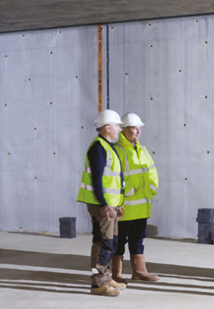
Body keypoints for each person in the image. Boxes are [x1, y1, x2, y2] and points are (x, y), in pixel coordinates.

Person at [77, 110, 126, 297]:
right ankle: (98, 284)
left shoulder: (107, 146)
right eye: (117, 126)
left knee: (111, 242)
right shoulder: (98, 148)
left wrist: (117, 204)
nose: (120, 129)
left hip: (109, 205)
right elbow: (97, 179)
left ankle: (106, 277)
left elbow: (113, 180)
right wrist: (104, 204)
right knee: (103, 243)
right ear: (107, 127)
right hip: (101, 206)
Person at [112, 112, 159, 283]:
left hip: (141, 205)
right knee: (119, 240)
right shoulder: (117, 150)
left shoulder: (143, 150)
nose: (138, 131)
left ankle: (139, 271)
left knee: (138, 239)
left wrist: (152, 190)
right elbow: (115, 177)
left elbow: (152, 172)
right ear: (124, 130)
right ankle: (116, 273)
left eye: (139, 128)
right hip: (125, 207)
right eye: (134, 128)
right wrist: (128, 193)